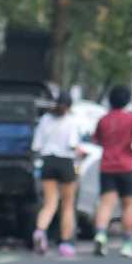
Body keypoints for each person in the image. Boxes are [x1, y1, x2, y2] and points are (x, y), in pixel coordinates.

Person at [91, 83, 132, 256]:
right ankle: (127, 244)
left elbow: (96, 140)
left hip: (107, 166)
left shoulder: (103, 119)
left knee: (106, 203)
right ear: (128, 100)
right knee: (128, 205)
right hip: (126, 166)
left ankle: (101, 235)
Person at [32, 89, 83, 255]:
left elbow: (36, 145)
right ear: (69, 106)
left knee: (49, 203)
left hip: (47, 161)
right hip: (66, 162)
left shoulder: (45, 119)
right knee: (67, 205)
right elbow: (73, 145)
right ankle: (66, 243)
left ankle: (40, 231)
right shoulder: (72, 121)